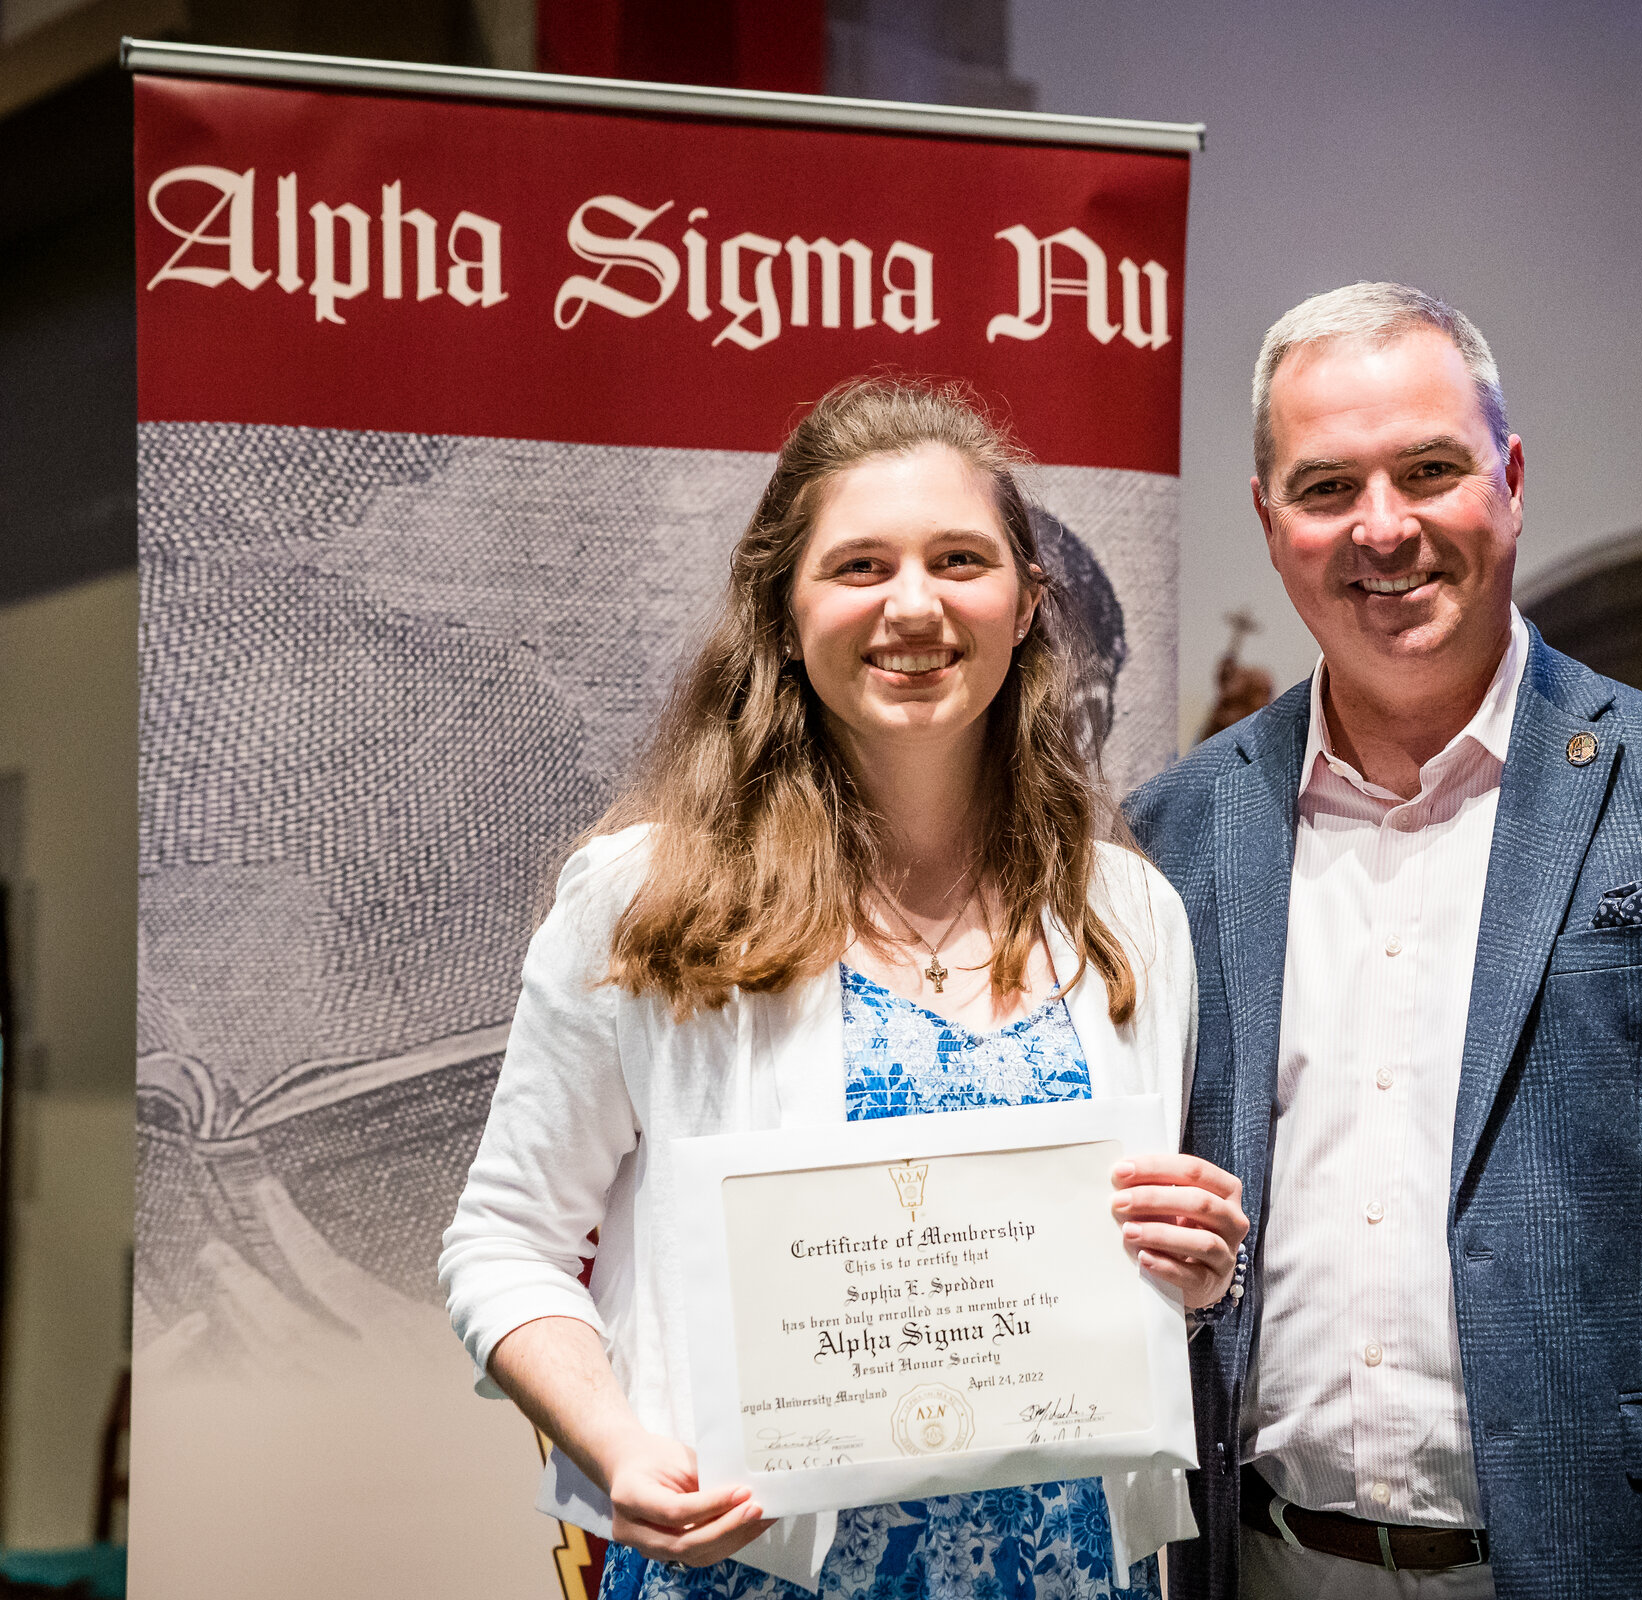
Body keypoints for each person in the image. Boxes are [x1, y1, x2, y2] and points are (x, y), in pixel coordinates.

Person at [1126, 284, 1642, 1599]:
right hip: (1262, 1559)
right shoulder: (1177, 834)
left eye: (1430, 470)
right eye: (1326, 488)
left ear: (1512, 479)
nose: (1385, 528)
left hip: (1619, 1564)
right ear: (1270, 521)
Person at [442, 377, 1250, 1600]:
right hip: (750, 1572)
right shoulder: (650, 903)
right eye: (860, 565)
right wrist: (618, 1447)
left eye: (961, 559)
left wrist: (1182, 1282)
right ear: (780, 609)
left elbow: (1103, 1295)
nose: (914, 605)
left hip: (1071, 1576)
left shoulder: (1128, 915)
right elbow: (504, 1243)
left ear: (1028, 605)